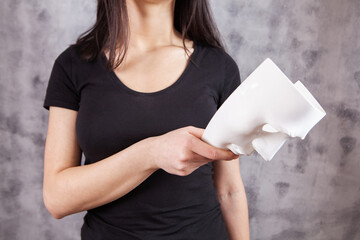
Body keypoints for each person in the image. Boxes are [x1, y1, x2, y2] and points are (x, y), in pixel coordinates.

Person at [42, 0, 250, 239]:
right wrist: (151, 154)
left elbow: (229, 190)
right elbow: (56, 198)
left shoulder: (219, 67)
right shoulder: (72, 66)